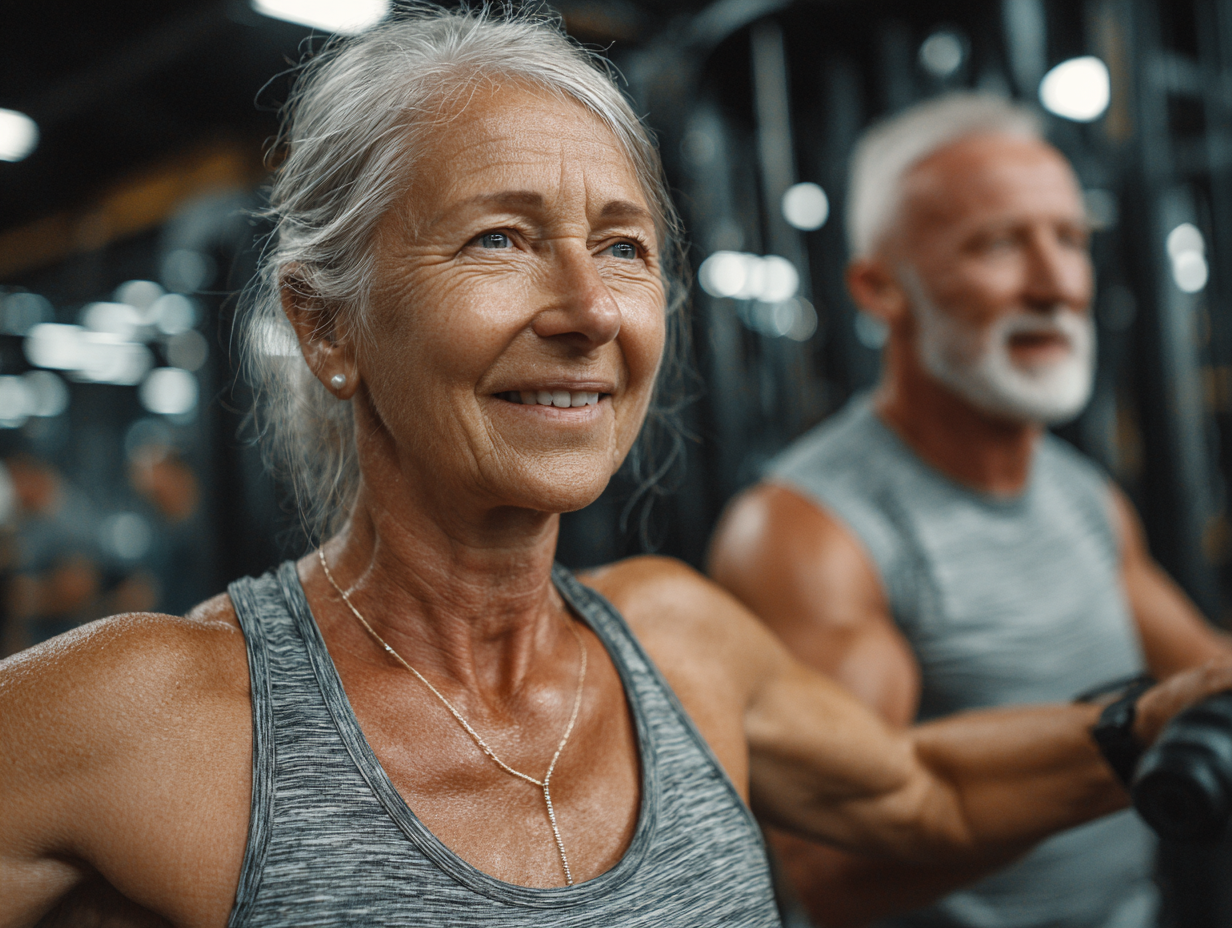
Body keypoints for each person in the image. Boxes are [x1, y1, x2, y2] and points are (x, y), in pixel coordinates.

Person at [3, 17, 1230, 928]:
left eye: (623, 246)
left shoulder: (679, 633)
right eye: (501, 238)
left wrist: (1143, 725)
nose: (590, 308)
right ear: (326, 326)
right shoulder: (145, 715)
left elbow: (921, 794)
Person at [708, 93, 1232, 928]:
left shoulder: (1079, 492)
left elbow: (1203, 676)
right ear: (881, 288)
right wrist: (1125, 750)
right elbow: (829, 873)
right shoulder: (809, 533)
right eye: (998, 243)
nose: (1057, 283)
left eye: (1070, 239)